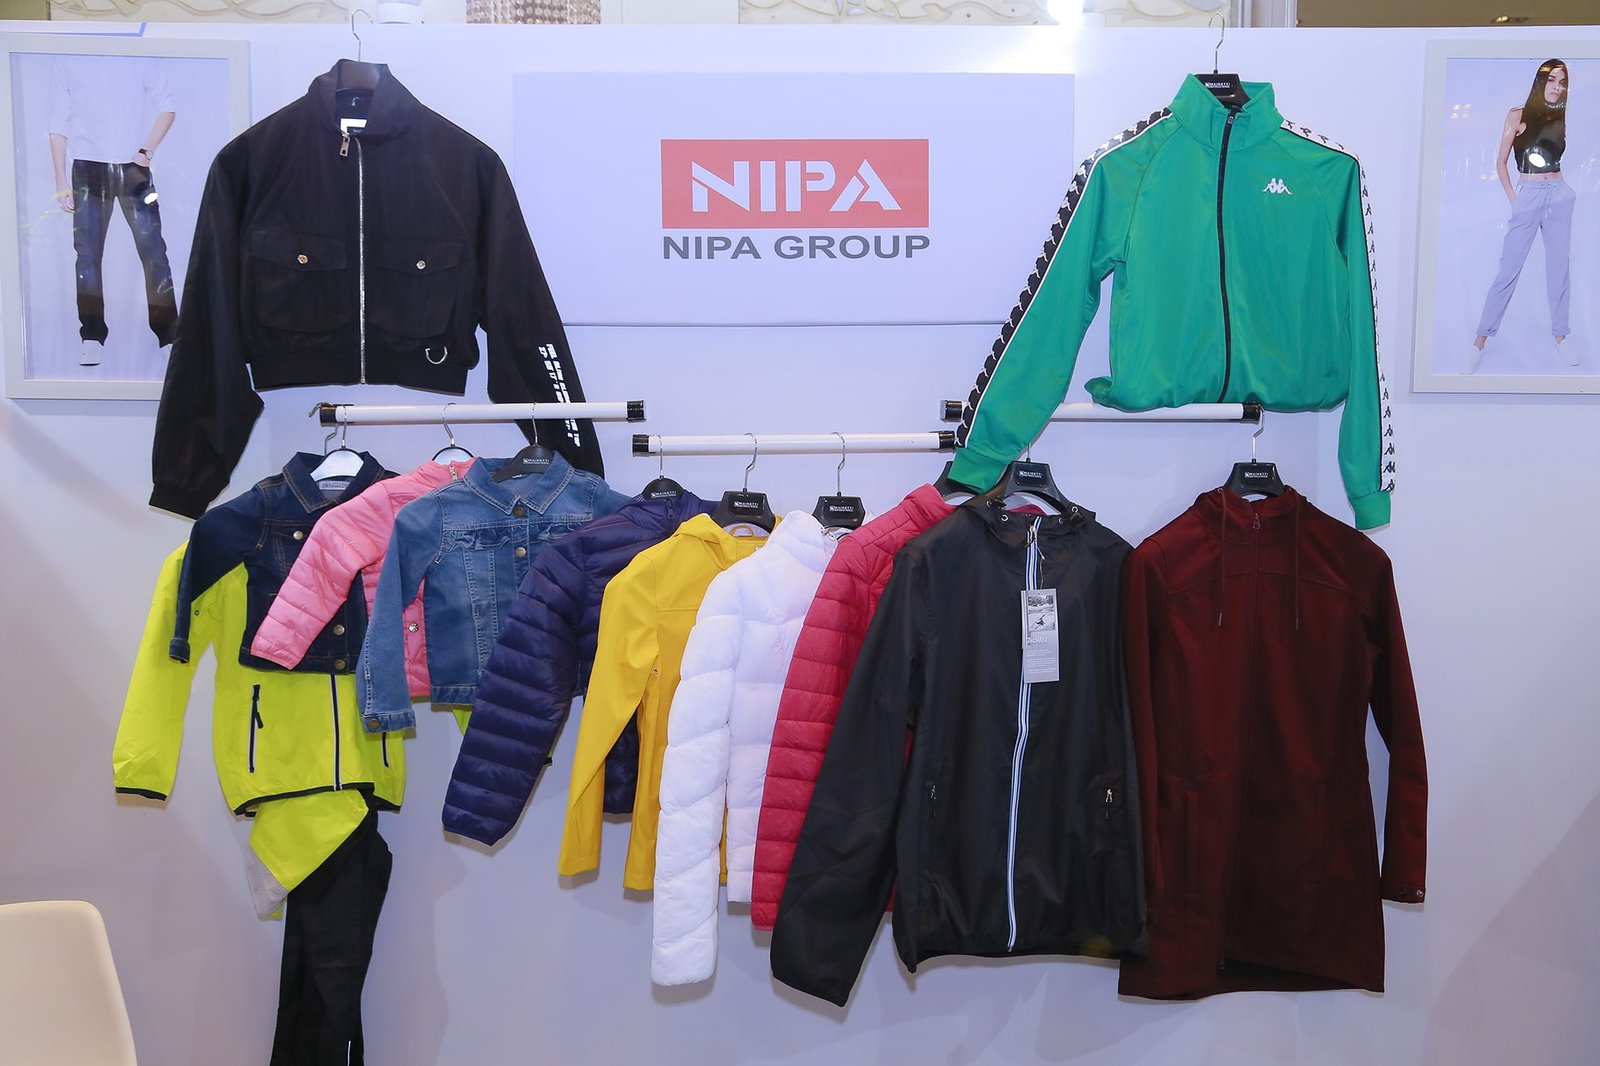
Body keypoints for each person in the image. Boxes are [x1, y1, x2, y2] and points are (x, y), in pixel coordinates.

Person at [47, 56, 179, 367]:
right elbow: (57, 123)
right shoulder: (67, 61)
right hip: (87, 167)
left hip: (133, 166)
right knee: (87, 256)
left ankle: (169, 335)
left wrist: (146, 151)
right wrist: (60, 179)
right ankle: (92, 335)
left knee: (154, 253)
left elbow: (168, 107)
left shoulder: (138, 57)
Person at [1469, 58, 1578, 373]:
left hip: (1559, 194)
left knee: (1558, 268)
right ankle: (1479, 341)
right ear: (1541, 81)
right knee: (1509, 269)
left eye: (1562, 82)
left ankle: (1560, 336)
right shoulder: (1517, 115)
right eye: (1552, 80)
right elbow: (1500, 161)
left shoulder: (1560, 116)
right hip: (1528, 193)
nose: (1557, 87)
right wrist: (1515, 199)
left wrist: (1564, 191)